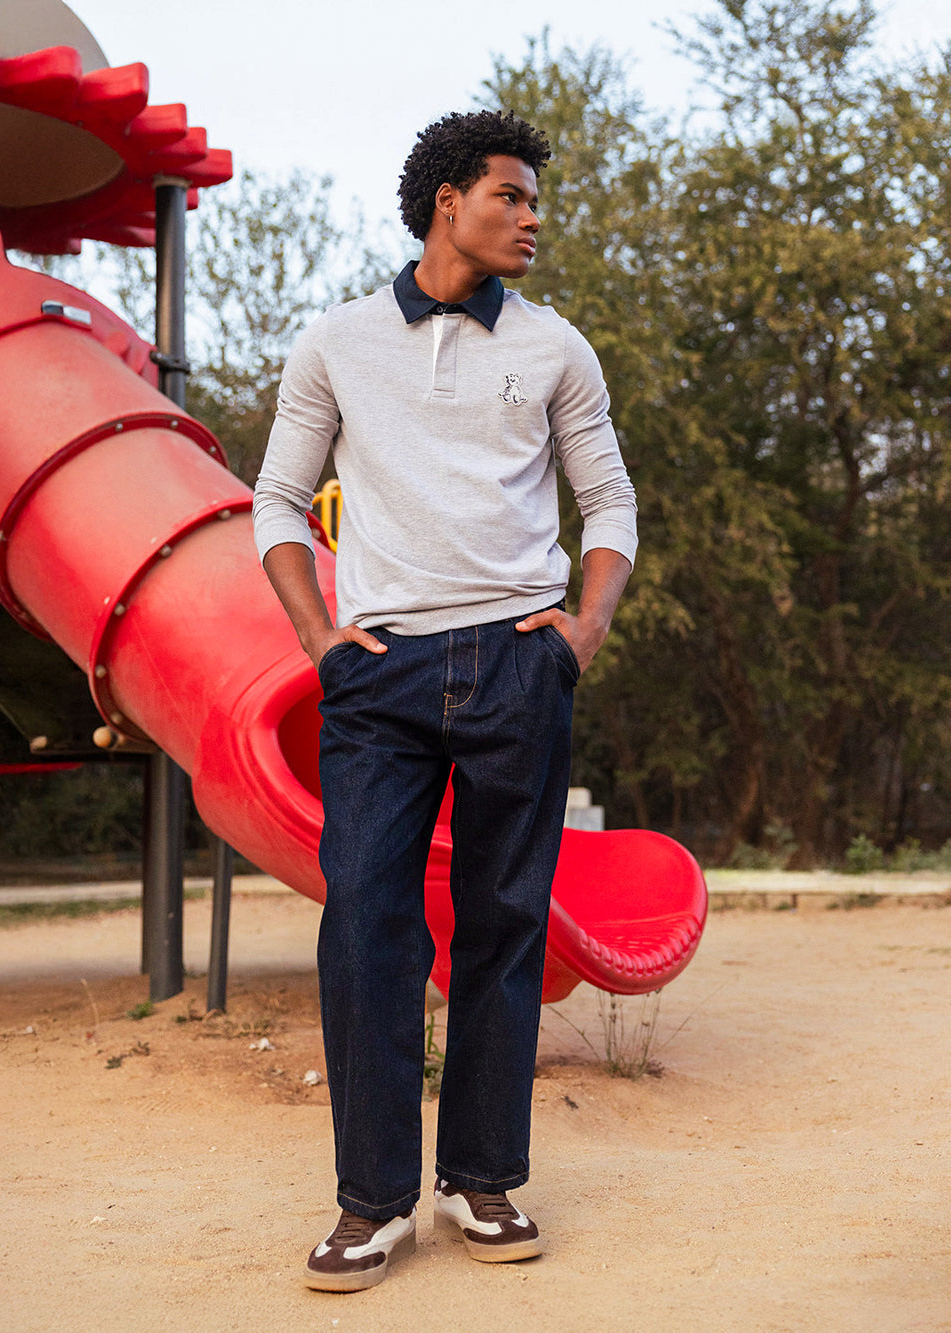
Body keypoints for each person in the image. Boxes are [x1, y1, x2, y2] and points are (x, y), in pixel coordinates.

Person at [252, 109, 637, 1293]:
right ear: (447, 203)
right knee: (367, 924)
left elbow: (608, 503)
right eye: (511, 196)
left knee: (504, 922)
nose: (531, 218)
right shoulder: (337, 341)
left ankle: (481, 1177)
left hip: (519, 664)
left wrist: (579, 633)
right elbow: (276, 499)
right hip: (380, 675)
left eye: (534, 200)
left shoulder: (557, 347)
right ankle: (370, 1203)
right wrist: (320, 640)